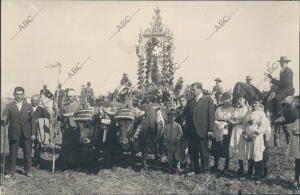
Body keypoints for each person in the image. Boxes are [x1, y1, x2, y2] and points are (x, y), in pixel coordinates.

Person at [178, 82, 215, 174]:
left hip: (202, 130)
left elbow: (211, 116)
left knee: (204, 151)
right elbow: (184, 114)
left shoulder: (208, 100)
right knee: (193, 151)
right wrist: (177, 120)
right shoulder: (191, 101)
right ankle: (195, 169)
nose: (192, 91)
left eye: (193, 89)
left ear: (200, 89)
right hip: (191, 131)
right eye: (191, 89)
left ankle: (206, 170)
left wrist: (210, 130)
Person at [2, 87, 37, 178]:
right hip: (14, 133)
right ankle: (10, 172)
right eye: (17, 94)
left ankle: (28, 171)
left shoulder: (28, 106)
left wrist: (33, 133)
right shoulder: (9, 106)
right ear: (14, 94)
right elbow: (5, 121)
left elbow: (33, 121)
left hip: (27, 134)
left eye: (21, 94)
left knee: (28, 153)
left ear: (24, 95)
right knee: (13, 153)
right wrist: (3, 120)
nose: (19, 96)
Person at [237, 100, 271, 184]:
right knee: (250, 155)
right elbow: (244, 124)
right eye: (252, 103)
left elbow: (263, 126)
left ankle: (258, 176)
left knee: (257, 155)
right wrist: (244, 133)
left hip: (257, 137)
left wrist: (255, 133)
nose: (254, 104)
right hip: (248, 136)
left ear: (259, 103)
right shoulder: (248, 112)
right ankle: (249, 174)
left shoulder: (261, 113)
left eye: (255, 103)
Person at [211, 92, 235, 174]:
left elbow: (232, 119)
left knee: (226, 146)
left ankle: (226, 166)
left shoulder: (232, 109)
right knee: (216, 146)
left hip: (227, 129)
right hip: (218, 128)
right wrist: (217, 123)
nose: (225, 101)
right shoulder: (218, 109)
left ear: (230, 99)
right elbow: (214, 118)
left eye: (227, 99)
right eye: (224, 99)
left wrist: (225, 124)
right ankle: (215, 165)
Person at [59, 89, 81, 169]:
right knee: (65, 146)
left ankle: (75, 164)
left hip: (75, 127)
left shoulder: (78, 105)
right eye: (68, 96)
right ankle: (65, 164)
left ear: (75, 96)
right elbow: (61, 115)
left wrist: (66, 115)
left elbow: (77, 114)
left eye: (71, 96)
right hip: (66, 127)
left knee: (75, 146)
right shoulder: (64, 105)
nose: (70, 98)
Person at [267, 56, 294, 122]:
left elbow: (285, 83)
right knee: (270, 95)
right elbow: (281, 83)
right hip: (283, 88)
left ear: (286, 63)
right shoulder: (282, 71)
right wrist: (272, 79)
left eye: (283, 62)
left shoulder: (288, 71)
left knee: (277, 99)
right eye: (281, 62)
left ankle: (281, 117)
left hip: (288, 89)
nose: (281, 64)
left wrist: (274, 81)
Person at [228, 96, 249, 178]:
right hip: (236, 130)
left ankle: (246, 168)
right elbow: (230, 118)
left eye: (241, 99)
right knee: (237, 148)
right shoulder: (236, 109)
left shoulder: (247, 109)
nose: (239, 101)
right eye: (239, 99)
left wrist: (238, 122)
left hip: (243, 130)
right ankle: (241, 168)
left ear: (245, 100)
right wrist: (231, 121)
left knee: (244, 148)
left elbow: (247, 120)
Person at [31, 95, 51, 167]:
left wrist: (40, 121)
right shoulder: (28, 108)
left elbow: (48, 117)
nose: (34, 102)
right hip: (29, 130)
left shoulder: (41, 109)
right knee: (28, 146)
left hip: (38, 131)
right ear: (31, 101)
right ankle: (28, 161)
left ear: (38, 101)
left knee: (37, 146)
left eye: (36, 100)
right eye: (33, 100)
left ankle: (37, 160)